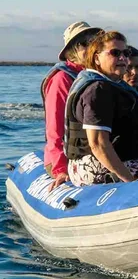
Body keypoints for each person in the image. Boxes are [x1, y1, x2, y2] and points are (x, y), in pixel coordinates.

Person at [64, 30, 138, 185]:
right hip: (98, 168)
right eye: (115, 53)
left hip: (118, 161)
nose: (123, 58)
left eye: (126, 53)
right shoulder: (97, 90)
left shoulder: (111, 86)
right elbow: (98, 145)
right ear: (97, 58)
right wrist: (131, 182)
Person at [41, 21, 102, 190]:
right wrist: (60, 169)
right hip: (68, 158)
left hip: (97, 152)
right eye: (84, 44)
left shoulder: (98, 77)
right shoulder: (62, 80)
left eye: (95, 42)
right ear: (71, 51)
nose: (91, 47)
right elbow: (54, 129)